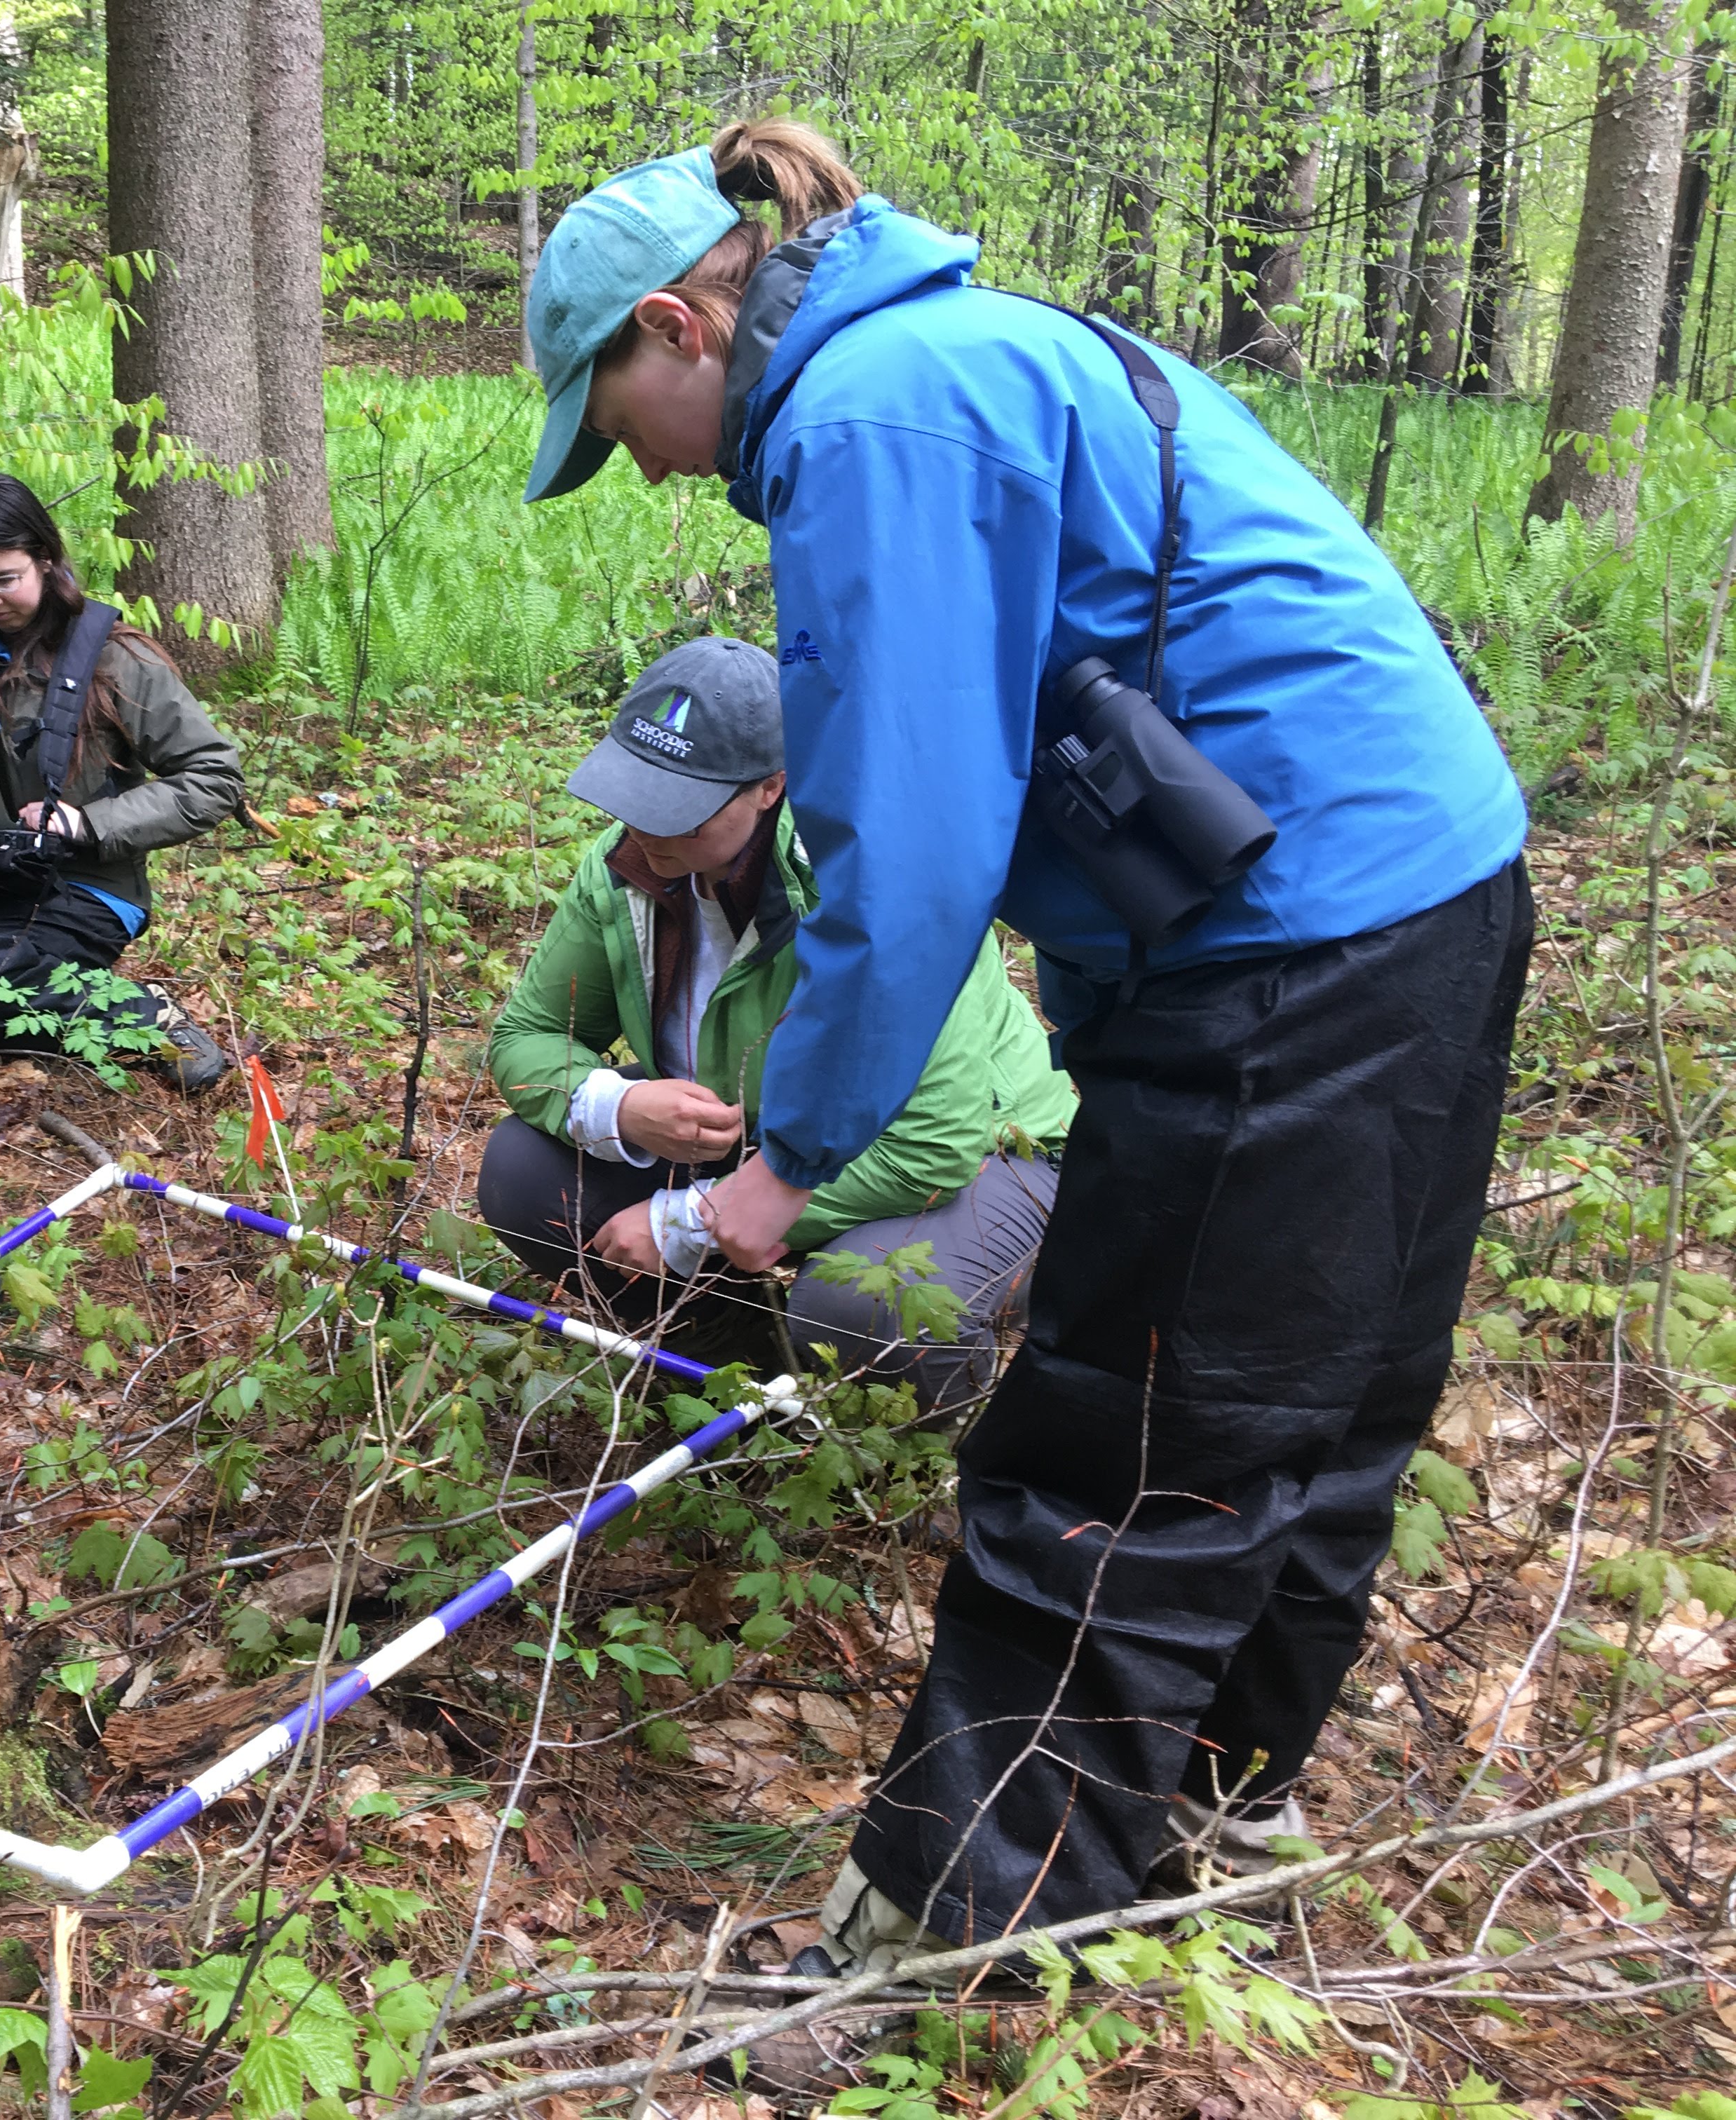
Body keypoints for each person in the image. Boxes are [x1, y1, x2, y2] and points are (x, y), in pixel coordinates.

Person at [520, 119, 1530, 2011]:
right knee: (1311, 1404)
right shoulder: (961, 348)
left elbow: (899, 861)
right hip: (1428, 888)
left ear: (677, 325)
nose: (640, 468)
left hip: (1296, 946)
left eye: (615, 419)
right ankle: (1215, 1811)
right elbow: (1054, 720)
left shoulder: (869, 420)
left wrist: (778, 1170)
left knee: (1117, 1453)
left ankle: (948, 1947)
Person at [480, 633, 1074, 1411]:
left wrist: (688, 1220)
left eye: (682, 807)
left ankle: (911, 1444)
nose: (648, 831)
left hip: (987, 1158)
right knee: (524, 1170)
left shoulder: (877, 883)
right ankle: (733, 1372)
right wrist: (618, 1106)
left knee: (860, 1303)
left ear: (772, 787)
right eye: (636, 793)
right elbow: (524, 1036)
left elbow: (935, 1142)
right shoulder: (626, 869)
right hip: (760, 1136)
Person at [0, 473, 242, 1092]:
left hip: (84, 885)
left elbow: (214, 777)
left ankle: (148, 1019)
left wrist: (90, 822)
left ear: (45, 561)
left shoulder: (116, 659)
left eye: (3, 580)